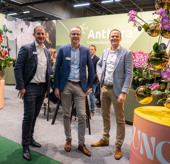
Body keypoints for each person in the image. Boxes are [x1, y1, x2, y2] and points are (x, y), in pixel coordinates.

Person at [91, 29, 133, 160]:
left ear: (120, 38)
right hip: (104, 88)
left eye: (116, 36)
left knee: (120, 119)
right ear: (109, 38)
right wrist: (99, 75)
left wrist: (124, 92)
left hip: (117, 90)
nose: (114, 38)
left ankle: (118, 145)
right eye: (112, 36)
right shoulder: (105, 52)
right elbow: (98, 64)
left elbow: (129, 74)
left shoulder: (126, 53)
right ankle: (105, 138)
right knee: (105, 115)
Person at [54, 26, 94, 157]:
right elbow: (57, 69)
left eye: (77, 34)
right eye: (73, 34)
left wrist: (89, 86)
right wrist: (56, 87)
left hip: (80, 87)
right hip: (66, 85)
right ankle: (68, 139)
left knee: (82, 115)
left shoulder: (85, 51)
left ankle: (81, 143)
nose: (75, 36)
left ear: (80, 36)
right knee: (66, 114)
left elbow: (91, 69)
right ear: (69, 36)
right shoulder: (63, 50)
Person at [14, 25, 52, 161]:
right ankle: (25, 146)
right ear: (34, 35)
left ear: (46, 35)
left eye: (43, 34)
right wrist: (21, 87)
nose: (41, 36)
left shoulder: (47, 52)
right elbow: (17, 67)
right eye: (38, 34)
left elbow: (48, 69)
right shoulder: (27, 48)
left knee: (35, 115)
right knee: (28, 116)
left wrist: (48, 86)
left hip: (42, 89)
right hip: (29, 88)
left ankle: (30, 138)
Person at [88, 45, 100, 116]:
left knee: (92, 96)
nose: (90, 51)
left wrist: (92, 79)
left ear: (95, 50)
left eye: (92, 49)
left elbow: (97, 71)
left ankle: (92, 111)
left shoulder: (97, 59)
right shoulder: (87, 58)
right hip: (86, 80)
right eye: (89, 49)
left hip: (93, 81)